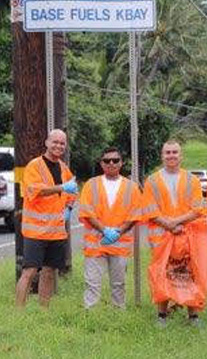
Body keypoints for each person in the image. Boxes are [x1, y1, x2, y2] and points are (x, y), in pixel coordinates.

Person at [144, 140, 207, 327]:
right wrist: (168, 224)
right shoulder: (152, 181)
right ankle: (162, 315)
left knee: (189, 273)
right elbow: (149, 209)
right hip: (161, 237)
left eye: (174, 152)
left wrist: (176, 222)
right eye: (167, 152)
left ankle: (193, 315)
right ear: (162, 156)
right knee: (162, 273)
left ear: (181, 156)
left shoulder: (192, 180)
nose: (171, 156)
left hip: (186, 235)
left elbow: (197, 208)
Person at [78, 147, 149, 309]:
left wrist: (118, 232)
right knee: (92, 283)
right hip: (96, 243)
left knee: (118, 284)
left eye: (115, 160)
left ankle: (118, 314)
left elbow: (135, 214)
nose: (111, 163)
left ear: (121, 163)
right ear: (101, 164)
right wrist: (105, 231)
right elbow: (87, 212)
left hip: (120, 243)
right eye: (107, 161)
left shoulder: (131, 187)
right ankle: (90, 316)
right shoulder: (91, 185)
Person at [15, 129, 78, 308]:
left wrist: (69, 208)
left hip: (56, 232)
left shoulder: (64, 168)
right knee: (30, 271)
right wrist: (61, 188)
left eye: (62, 143)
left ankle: (44, 310)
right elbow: (35, 189)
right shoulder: (34, 166)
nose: (58, 146)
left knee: (50, 271)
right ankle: (18, 313)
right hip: (35, 230)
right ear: (47, 143)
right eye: (55, 142)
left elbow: (72, 192)